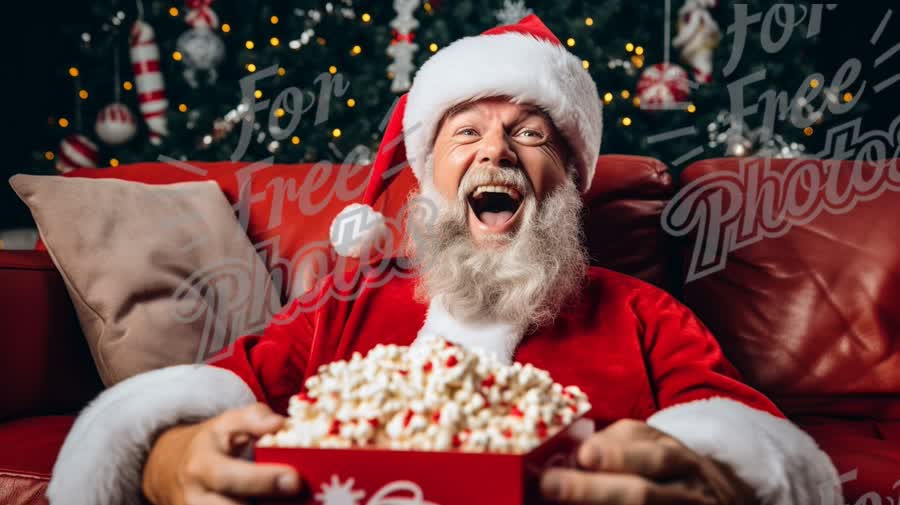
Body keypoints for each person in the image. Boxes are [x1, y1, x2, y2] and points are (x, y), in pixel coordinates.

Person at [48, 15, 841, 505]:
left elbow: (747, 440)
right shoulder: (349, 303)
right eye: (466, 132)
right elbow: (214, 394)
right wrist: (163, 461)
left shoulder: (639, 310)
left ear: (567, 180)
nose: (495, 147)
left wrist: (720, 477)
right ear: (432, 180)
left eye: (531, 133)